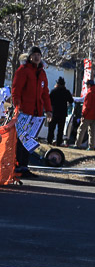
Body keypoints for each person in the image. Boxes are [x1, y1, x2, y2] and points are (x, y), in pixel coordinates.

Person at [11, 46, 52, 176]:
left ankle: (24, 166)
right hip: (24, 112)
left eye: (38, 55)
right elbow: (16, 90)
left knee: (29, 141)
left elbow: (45, 93)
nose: (36, 57)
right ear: (29, 57)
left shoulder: (42, 73)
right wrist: (18, 106)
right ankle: (18, 166)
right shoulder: (23, 70)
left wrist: (48, 110)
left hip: (36, 113)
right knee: (21, 140)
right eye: (34, 54)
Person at [75, 80, 95, 150]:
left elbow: (86, 106)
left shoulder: (89, 94)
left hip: (88, 116)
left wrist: (83, 115)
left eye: (87, 85)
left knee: (81, 130)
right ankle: (91, 146)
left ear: (89, 85)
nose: (86, 86)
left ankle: (78, 144)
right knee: (92, 132)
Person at [48, 77, 73, 146]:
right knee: (60, 130)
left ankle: (49, 141)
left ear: (57, 84)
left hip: (54, 112)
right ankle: (59, 142)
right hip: (62, 114)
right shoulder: (66, 92)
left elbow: (49, 100)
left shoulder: (53, 91)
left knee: (51, 129)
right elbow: (71, 101)